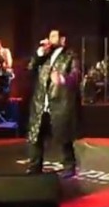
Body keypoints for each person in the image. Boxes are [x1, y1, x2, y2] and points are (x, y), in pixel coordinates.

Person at [25, 29, 82, 177]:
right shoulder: (45, 55)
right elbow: (30, 68)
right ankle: (34, 166)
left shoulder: (70, 56)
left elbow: (76, 75)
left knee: (63, 136)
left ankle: (69, 166)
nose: (51, 39)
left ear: (63, 40)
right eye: (50, 36)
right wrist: (40, 53)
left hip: (59, 102)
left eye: (54, 36)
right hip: (41, 102)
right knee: (36, 135)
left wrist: (63, 79)